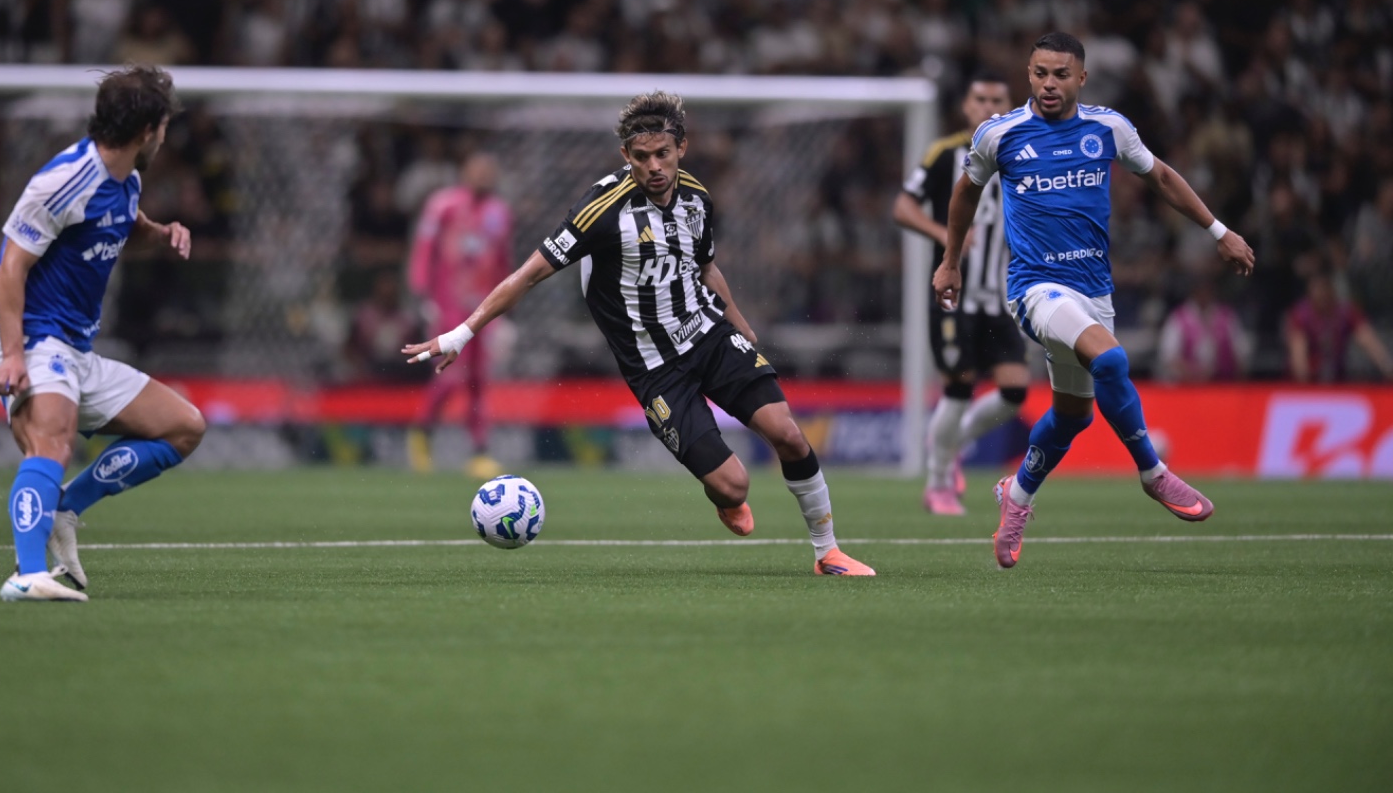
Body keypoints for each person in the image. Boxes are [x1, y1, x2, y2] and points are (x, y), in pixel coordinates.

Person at [404, 92, 875, 576]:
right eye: (642, 157)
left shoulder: (697, 197)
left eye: (663, 154)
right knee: (734, 485)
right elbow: (525, 276)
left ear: (681, 149)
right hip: (656, 370)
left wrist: (738, 321)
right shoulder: (600, 210)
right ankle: (725, 499)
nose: (654, 166)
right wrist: (461, 333)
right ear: (626, 157)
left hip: (708, 335)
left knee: (790, 437)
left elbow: (706, 266)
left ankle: (827, 554)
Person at [935, 33, 1255, 569]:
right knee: (1111, 358)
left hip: (1093, 292)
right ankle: (1153, 473)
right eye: (1039, 73)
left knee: (1073, 416)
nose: (1048, 84)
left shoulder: (1108, 128)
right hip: (1035, 288)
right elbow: (965, 191)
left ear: (1081, 78)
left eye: (1060, 74)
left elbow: (1162, 177)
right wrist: (950, 261)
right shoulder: (1001, 134)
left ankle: (1016, 497)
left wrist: (1219, 230)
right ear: (1028, 74)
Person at [0, 66, 206, 601]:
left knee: (185, 427)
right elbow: (10, 269)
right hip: (34, 340)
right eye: (165, 126)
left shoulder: (126, 179)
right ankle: (27, 575)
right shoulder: (63, 180)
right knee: (52, 443)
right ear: (149, 128)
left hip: (77, 350)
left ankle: (67, 507)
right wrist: (13, 357)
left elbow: (121, 223)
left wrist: (159, 233)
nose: (165, 136)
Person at [894, 77, 1032, 515]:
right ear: (965, 107)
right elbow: (903, 207)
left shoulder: (1025, 153)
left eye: (998, 99)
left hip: (1001, 296)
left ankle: (952, 446)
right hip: (953, 294)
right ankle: (938, 486)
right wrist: (943, 234)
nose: (989, 106)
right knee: (959, 388)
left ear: (1010, 105)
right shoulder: (944, 154)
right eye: (980, 99)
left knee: (1014, 392)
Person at [406, 152, 515, 477]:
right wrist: (423, 293)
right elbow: (425, 249)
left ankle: (479, 451)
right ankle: (422, 432)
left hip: (484, 306)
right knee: (451, 373)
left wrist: (507, 309)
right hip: (449, 303)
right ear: (464, 172)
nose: (483, 176)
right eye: (477, 170)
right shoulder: (443, 205)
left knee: (480, 377)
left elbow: (503, 261)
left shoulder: (501, 212)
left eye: (489, 171)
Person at [1285, 271, 1393, 383]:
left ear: (1332, 291)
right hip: (1306, 380)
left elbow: (1369, 340)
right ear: (1310, 292)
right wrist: (1303, 380)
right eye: (1317, 290)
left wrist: (1388, 367)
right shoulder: (1301, 315)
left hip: (1337, 379)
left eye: (1324, 289)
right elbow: (1298, 351)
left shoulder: (1346, 312)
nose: (1321, 294)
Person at [1157, 277, 1251, 382]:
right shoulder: (1178, 318)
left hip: (1223, 384)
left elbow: (1241, 354)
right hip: (1189, 387)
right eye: (1201, 291)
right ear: (1194, 292)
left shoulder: (1227, 316)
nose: (1204, 295)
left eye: (1207, 291)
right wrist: (1193, 373)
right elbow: (1169, 357)